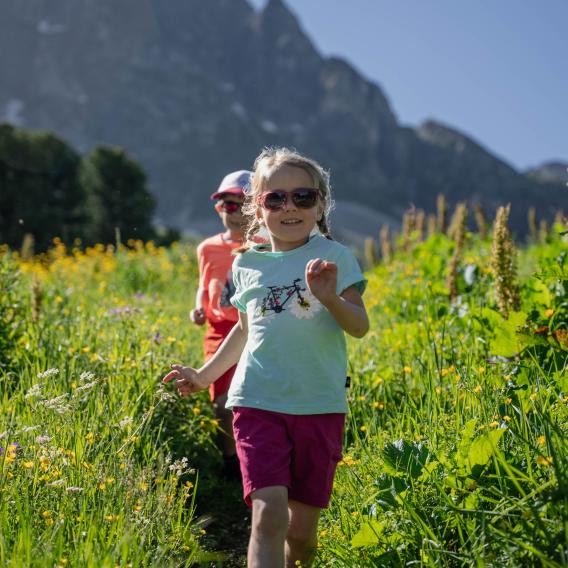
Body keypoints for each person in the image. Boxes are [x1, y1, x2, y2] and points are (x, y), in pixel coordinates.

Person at [163, 147, 369, 567]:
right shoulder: (246, 266)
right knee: (269, 514)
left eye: (303, 197)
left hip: (319, 406)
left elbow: (359, 326)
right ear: (257, 206)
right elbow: (243, 329)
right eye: (275, 198)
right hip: (256, 402)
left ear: (320, 204)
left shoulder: (336, 257)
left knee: (302, 536)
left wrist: (330, 298)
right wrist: (204, 376)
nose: (288, 207)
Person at [190, 169, 252, 480]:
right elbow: (204, 284)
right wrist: (198, 309)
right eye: (229, 205)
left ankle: (253, 457)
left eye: (245, 205)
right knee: (221, 402)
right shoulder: (208, 248)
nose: (237, 213)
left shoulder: (265, 246)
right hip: (218, 331)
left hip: (254, 331)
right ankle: (230, 464)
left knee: (251, 399)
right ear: (219, 209)